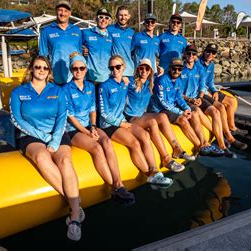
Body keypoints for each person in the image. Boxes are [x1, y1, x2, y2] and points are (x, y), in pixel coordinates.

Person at [10, 55, 83, 241]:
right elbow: (16, 119)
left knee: (65, 160)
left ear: (49, 71)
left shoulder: (57, 91)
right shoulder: (19, 92)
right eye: (37, 67)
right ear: (31, 69)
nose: (41, 70)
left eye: (45, 68)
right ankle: (74, 205)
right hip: (31, 136)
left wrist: (55, 140)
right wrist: (43, 137)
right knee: (42, 158)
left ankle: (74, 218)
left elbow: (62, 117)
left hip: (57, 134)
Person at [64, 52, 135, 205]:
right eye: (75, 69)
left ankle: (119, 183)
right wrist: (87, 132)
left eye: (81, 68)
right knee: (96, 148)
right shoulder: (66, 89)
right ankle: (115, 187)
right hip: (73, 129)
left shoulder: (90, 86)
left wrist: (94, 126)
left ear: (85, 69)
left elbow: (92, 109)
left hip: (90, 125)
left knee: (107, 143)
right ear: (71, 70)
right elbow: (70, 116)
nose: (78, 71)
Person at [98, 54, 173, 187]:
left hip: (121, 120)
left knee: (145, 135)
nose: (115, 70)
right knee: (134, 143)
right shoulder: (104, 86)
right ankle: (149, 175)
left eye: (118, 67)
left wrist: (160, 73)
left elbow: (145, 79)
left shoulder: (124, 83)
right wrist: (120, 123)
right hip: (109, 125)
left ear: (124, 67)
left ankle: (155, 170)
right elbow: (103, 113)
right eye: (112, 68)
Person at [125, 58, 193, 173]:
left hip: (141, 114)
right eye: (141, 68)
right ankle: (166, 158)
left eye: (147, 68)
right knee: (152, 122)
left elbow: (161, 80)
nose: (144, 71)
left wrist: (187, 107)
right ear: (137, 69)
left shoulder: (150, 82)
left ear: (150, 71)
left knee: (162, 116)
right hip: (129, 117)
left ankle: (177, 149)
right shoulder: (130, 82)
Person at [181, 44, 237, 157]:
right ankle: (211, 140)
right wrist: (190, 99)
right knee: (197, 113)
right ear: (184, 54)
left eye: (193, 54)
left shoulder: (199, 69)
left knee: (215, 111)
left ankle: (222, 145)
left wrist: (200, 97)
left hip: (198, 97)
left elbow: (202, 86)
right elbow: (177, 92)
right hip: (186, 99)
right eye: (188, 53)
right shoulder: (179, 69)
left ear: (196, 55)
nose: (191, 56)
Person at [150, 57, 212, 155]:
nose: (176, 71)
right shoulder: (162, 80)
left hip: (171, 106)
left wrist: (186, 108)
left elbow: (179, 98)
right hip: (160, 109)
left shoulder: (178, 81)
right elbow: (163, 103)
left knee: (194, 114)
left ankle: (204, 142)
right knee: (183, 120)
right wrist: (181, 112)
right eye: (174, 68)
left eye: (179, 69)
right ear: (170, 68)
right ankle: (199, 146)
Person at [200, 44, 248, 150]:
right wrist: (207, 92)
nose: (210, 54)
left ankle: (232, 127)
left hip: (209, 90)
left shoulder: (211, 65)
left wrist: (214, 91)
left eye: (213, 52)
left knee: (231, 101)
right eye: (208, 51)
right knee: (221, 107)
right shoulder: (197, 64)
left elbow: (210, 82)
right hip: (201, 92)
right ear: (204, 51)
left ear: (215, 54)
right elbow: (196, 83)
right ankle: (229, 137)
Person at [39, 0, 82, 85]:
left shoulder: (77, 30)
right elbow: (42, 56)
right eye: (60, 10)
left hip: (74, 77)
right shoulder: (46, 31)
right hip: (55, 78)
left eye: (66, 11)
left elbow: (79, 54)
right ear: (56, 11)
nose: (63, 13)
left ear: (70, 13)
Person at [82, 8, 113, 83]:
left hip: (107, 78)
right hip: (90, 78)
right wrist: (82, 49)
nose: (103, 20)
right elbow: (75, 45)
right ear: (96, 19)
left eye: (106, 18)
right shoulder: (86, 32)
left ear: (109, 21)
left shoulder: (111, 36)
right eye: (101, 17)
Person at [108, 5, 136, 77]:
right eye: (121, 15)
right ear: (117, 16)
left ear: (129, 16)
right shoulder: (109, 29)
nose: (123, 17)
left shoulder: (132, 32)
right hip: (115, 71)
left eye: (125, 15)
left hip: (129, 71)